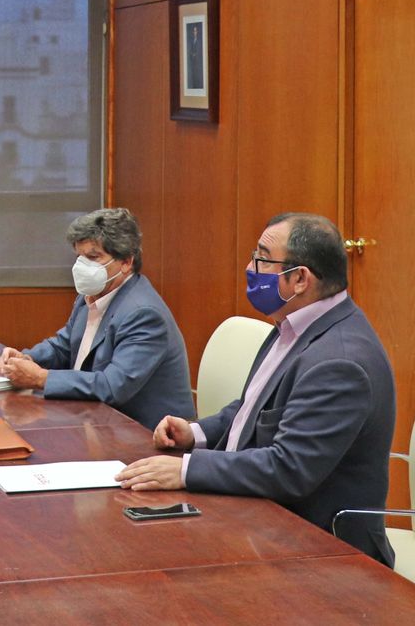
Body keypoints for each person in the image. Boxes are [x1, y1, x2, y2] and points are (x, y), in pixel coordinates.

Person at [117, 212, 396, 564]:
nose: (250, 267)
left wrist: (186, 470)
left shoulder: (339, 362)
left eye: (262, 259)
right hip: (258, 514)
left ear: (299, 279)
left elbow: (289, 469)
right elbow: (256, 405)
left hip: (318, 549)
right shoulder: (295, 324)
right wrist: (195, 433)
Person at [0, 208, 194, 432]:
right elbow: (64, 346)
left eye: (93, 257)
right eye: (80, 256)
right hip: (95, 421)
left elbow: (112, 386)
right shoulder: (92, 295)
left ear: (126, 262)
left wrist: (40, 378)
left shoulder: (143, 314)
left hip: (145, 436)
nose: (82, 266)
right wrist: (26, 358)